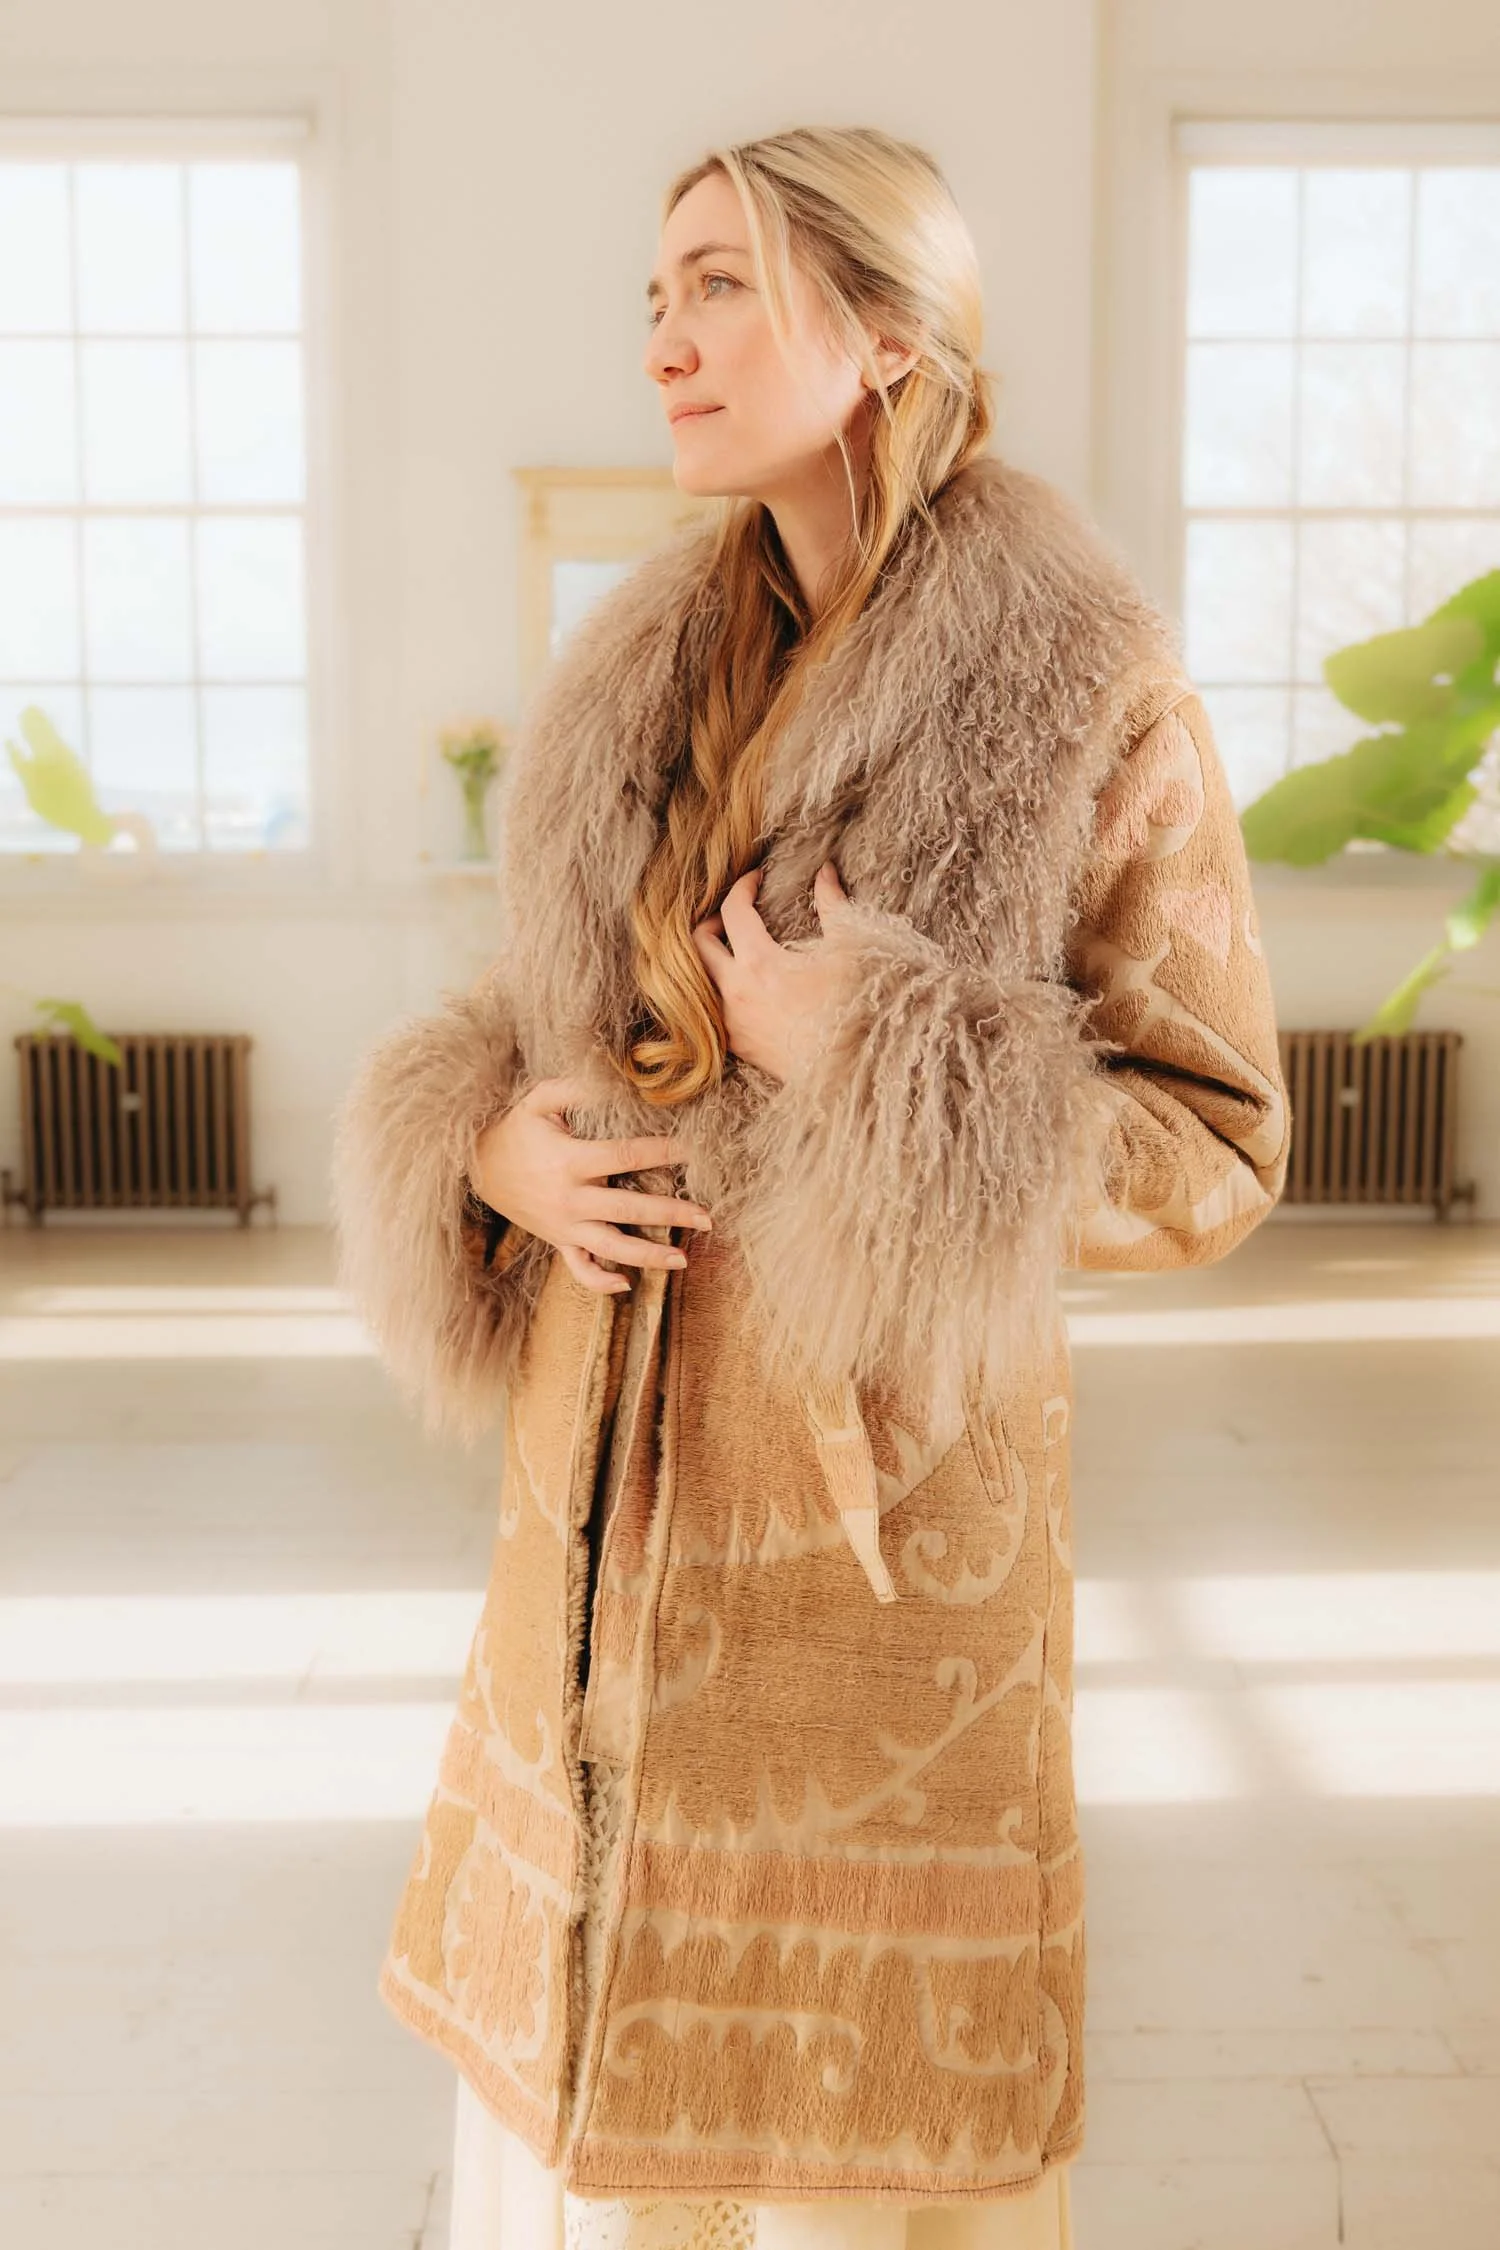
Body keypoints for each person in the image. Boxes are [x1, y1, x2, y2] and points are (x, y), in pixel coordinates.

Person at [331, 125, 1290, 2248]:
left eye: (717, 286)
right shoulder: (637, 677)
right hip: (595, 1539)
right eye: (650, 301)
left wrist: (896, 1057)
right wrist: (485, 1138)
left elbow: (1218, 1145)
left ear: (879, 333)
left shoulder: (1087, 687)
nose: (663, 342)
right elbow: (531, 1020)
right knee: (596, 2150)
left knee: (860, 2165)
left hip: (872, 1593)